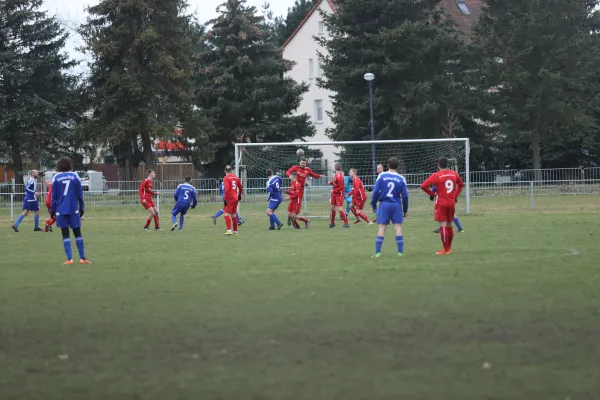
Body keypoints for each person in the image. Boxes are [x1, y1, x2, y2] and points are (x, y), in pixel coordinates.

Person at [420, 157, 465, 255]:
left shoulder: (436, 175)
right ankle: (449, 248)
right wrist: (455, 195)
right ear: (447, 164)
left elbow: (423, 185)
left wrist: (432, 194)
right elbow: (461, 184)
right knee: (449, 224)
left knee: (443, 224)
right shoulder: (453, 173)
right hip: (451, 202)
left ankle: (446, 249)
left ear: (438, 165)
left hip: (441, 202)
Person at [50, 157, 91, 265]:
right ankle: (82, 258)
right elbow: (80, 194)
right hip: (73, 209)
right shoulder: (75, 176)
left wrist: (52, 210)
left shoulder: (56, 178)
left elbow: (53, 196)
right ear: (69, 165)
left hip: (61, 210)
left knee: (65, 234)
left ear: (58, 166)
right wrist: (81, 207)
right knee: (77, 233)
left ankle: (69, 259)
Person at [370, 157, 409, 258]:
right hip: (396, 205)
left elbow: (375, 192)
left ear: (387, 165)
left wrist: (373, 204)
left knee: (382, 227)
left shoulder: (382, 176)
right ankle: (400, 252)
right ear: (397, 166)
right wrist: (405, 210)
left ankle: (377, 252)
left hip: (384, 204)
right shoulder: (401, 178)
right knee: (398, 227)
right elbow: (405, 196)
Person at [286, 159, 321, 228]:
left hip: (299, 191)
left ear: (306, 164)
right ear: (299, 163)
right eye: (302, 163)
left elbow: (313, 175)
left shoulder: (307, 170)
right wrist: (290, 175)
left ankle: (303, 221)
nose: (303, 164)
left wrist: (319, 176)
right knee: (290, 214)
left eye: (304, 163)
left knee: (293, 214)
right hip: (294, 189)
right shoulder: (296, 167)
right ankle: (295, 223)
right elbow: (288, 172)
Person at [222, 165, 242, 236]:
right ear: (231, 170)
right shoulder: (236, 177)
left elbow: (227, 189)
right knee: (233, 215)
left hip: (230, 198)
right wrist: (239, 196)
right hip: (235, 198)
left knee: (226, 213)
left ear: (225, 171)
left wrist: (225, 198)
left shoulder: (226, 178)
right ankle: (235, 231)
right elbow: (240, 187)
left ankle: (229, 230)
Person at [329, 162, 350, 228]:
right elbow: (336, 183)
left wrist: (333, 190)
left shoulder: (340, 176)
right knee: (332, 208)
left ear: (335, 168)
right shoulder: (336, 175)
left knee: (339, 208)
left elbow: (341, 187)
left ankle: (346, 223)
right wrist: (331, 182)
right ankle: (332, 223)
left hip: (339, 194)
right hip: (334, 194)